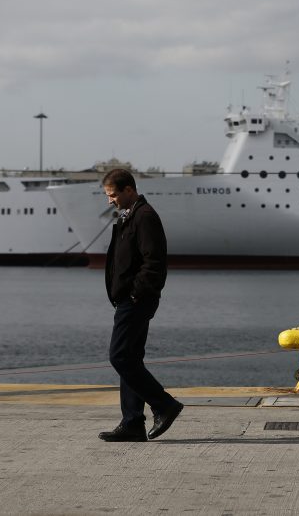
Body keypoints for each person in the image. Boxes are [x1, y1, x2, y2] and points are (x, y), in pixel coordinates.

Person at [97, 168, 183, 442]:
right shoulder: (129, 216)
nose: (110, 200)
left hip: (136, 301)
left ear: (129, 190)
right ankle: (133, 422)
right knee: (130, 359)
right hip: (128, 300)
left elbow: (154, 263)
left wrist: (136, 294)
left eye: (112, 195)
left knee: (119, 356)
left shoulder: (145, 217)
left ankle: (164, 404)